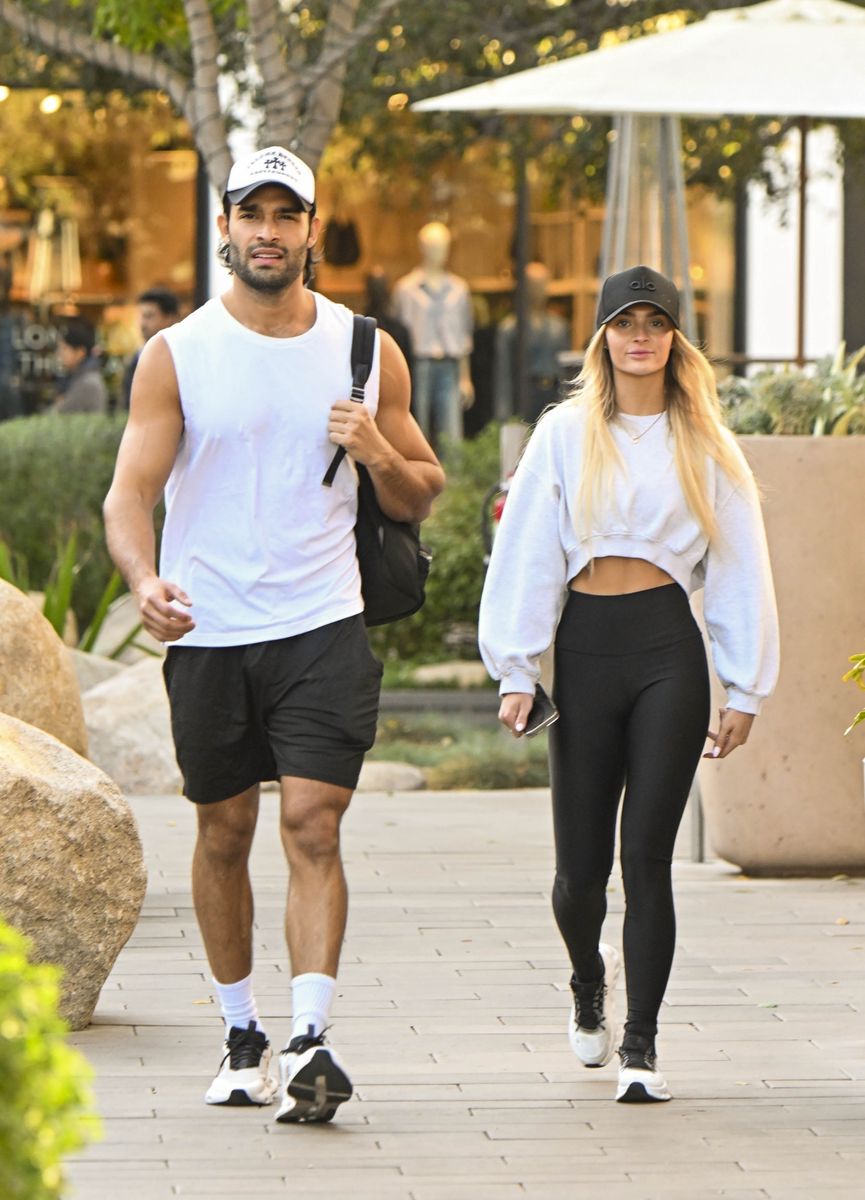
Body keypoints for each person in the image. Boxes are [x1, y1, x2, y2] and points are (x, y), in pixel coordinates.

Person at [103, 145, 444, 1124]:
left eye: (285, 215)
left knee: (313, 822)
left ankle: (309, 1038)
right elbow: (129, 494)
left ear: (310, 230)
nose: (267, 231)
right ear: (224, 227)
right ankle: (241, 1030)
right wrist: (143, 580)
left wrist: (375, 445)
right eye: (250, 213)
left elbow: (422, 488)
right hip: (209, 629)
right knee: (224, 829)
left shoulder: (363, 349)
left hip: (322, 622)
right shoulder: (177, 355)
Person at [478, 265, 778, 1104]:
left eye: (654, 321)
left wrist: (744, 686)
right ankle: (587, 980)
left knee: (646, 860)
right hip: (584, 649)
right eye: (623, 321)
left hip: (665, 655)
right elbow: (527, 551)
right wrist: (514, 666)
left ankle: (640, 1046)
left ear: (674, 337)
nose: (638, 335)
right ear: (602, 335)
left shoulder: (707, 444)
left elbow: (740, 566)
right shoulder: (565, 434)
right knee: (579, 874)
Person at [393, 221, 473, 447]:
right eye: (433, 245)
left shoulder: (459, 289)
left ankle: (456, 480)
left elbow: (464, 335)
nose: (439, 252)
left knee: (451, 432)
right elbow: (398, 337)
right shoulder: (405, 289)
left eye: (443, 246)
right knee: (416, 428)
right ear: (422, 247)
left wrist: (465, 378)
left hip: (449, 365)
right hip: (417, 366)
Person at [494, 262, 570, 423]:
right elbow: (504, 373)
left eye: (542, 284)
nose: (539, 290)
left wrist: (568, 401)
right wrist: (504, 412)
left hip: (553, 393)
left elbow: (566, 371)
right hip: (524, 394)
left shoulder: (559, 327)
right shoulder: (510, 328)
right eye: (533, 285)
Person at [120, 287, 179, 409]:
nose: (142, 324)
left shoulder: (180, 359)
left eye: (149, 316)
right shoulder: (136, 358)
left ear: (170, 318)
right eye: (141, 316)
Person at [54, 316, 108, 413]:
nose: (59, 353)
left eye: (64, 348)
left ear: (80, 352)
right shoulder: (78, 376)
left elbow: (57, 414)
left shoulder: (88, 382)